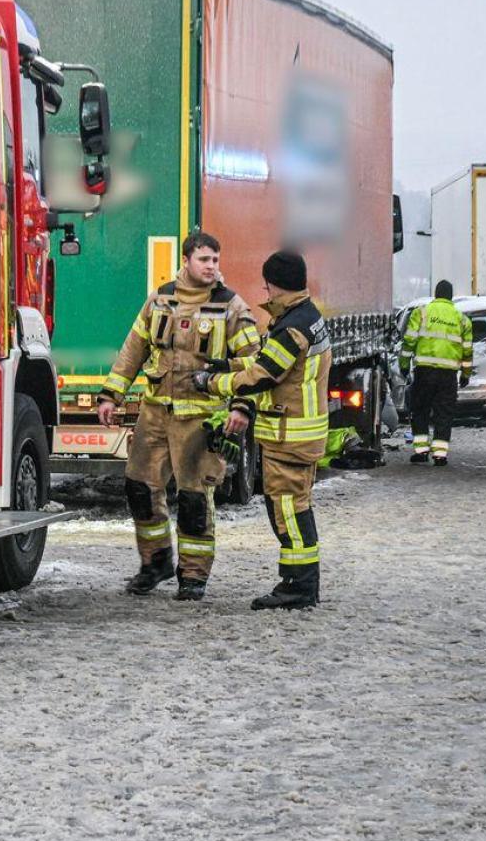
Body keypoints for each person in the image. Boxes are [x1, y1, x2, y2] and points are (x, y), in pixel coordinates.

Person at [96, 232, 261, 600]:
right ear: (186, 260)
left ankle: (193, 576)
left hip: (200, 421)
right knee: (140, 488)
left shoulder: (231, 307)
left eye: (216, 261)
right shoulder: (160, 299)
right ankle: (155, 563)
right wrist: (111, 394)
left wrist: (241, 406)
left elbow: (254, 364)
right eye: (204, 260)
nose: (212, 267)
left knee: (194, 500)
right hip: (155, 413)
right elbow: (133, 349)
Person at [202, 251, 330, 611]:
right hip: (298, 434)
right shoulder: (304, 317)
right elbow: (268, 360)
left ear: (276, 284)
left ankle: (299, 587)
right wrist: (228, 363)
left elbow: (264, 374)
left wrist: (214, 382)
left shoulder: (293, 326)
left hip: (291, 436)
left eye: (267, 284)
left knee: (289, 512)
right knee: (292, 508)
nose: (265, 291)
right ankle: (297, 582)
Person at [400, 280, 472, 465]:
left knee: (420, 410)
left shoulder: (421, 313)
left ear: (436, 294)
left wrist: (404, 364)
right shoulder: (462, 319)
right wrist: (465, 374)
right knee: (444, 413)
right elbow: (467, 350)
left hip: (424, 372)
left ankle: (421, 451)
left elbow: (409, 341)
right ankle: (440, 455)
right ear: (450, 296)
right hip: (448, 375)